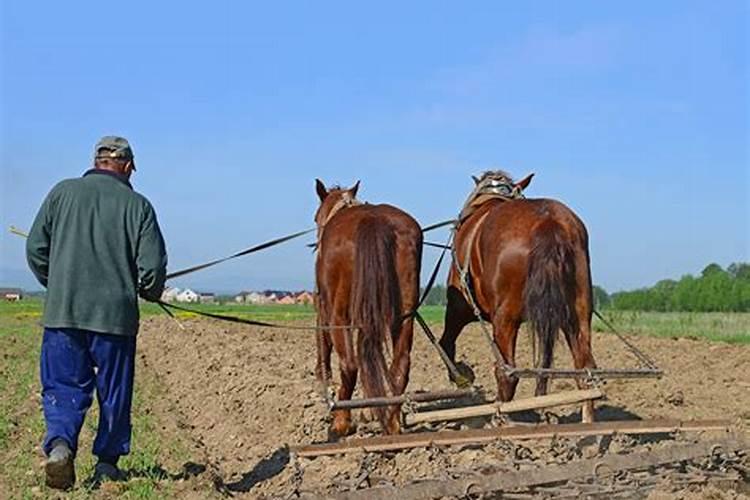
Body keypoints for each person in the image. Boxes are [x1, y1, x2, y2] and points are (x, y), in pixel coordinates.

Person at [26, 136, 167, 490]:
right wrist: (148, 291)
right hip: (114, 319)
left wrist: (58, 283)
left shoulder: (61, 193)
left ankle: (60, 445)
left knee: (61, 385)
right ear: (128, 166)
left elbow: (35, 248)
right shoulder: (138, 206)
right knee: (114, 391)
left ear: (96, 161)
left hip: (63, 313)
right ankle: (107, 463)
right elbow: (151, 267)